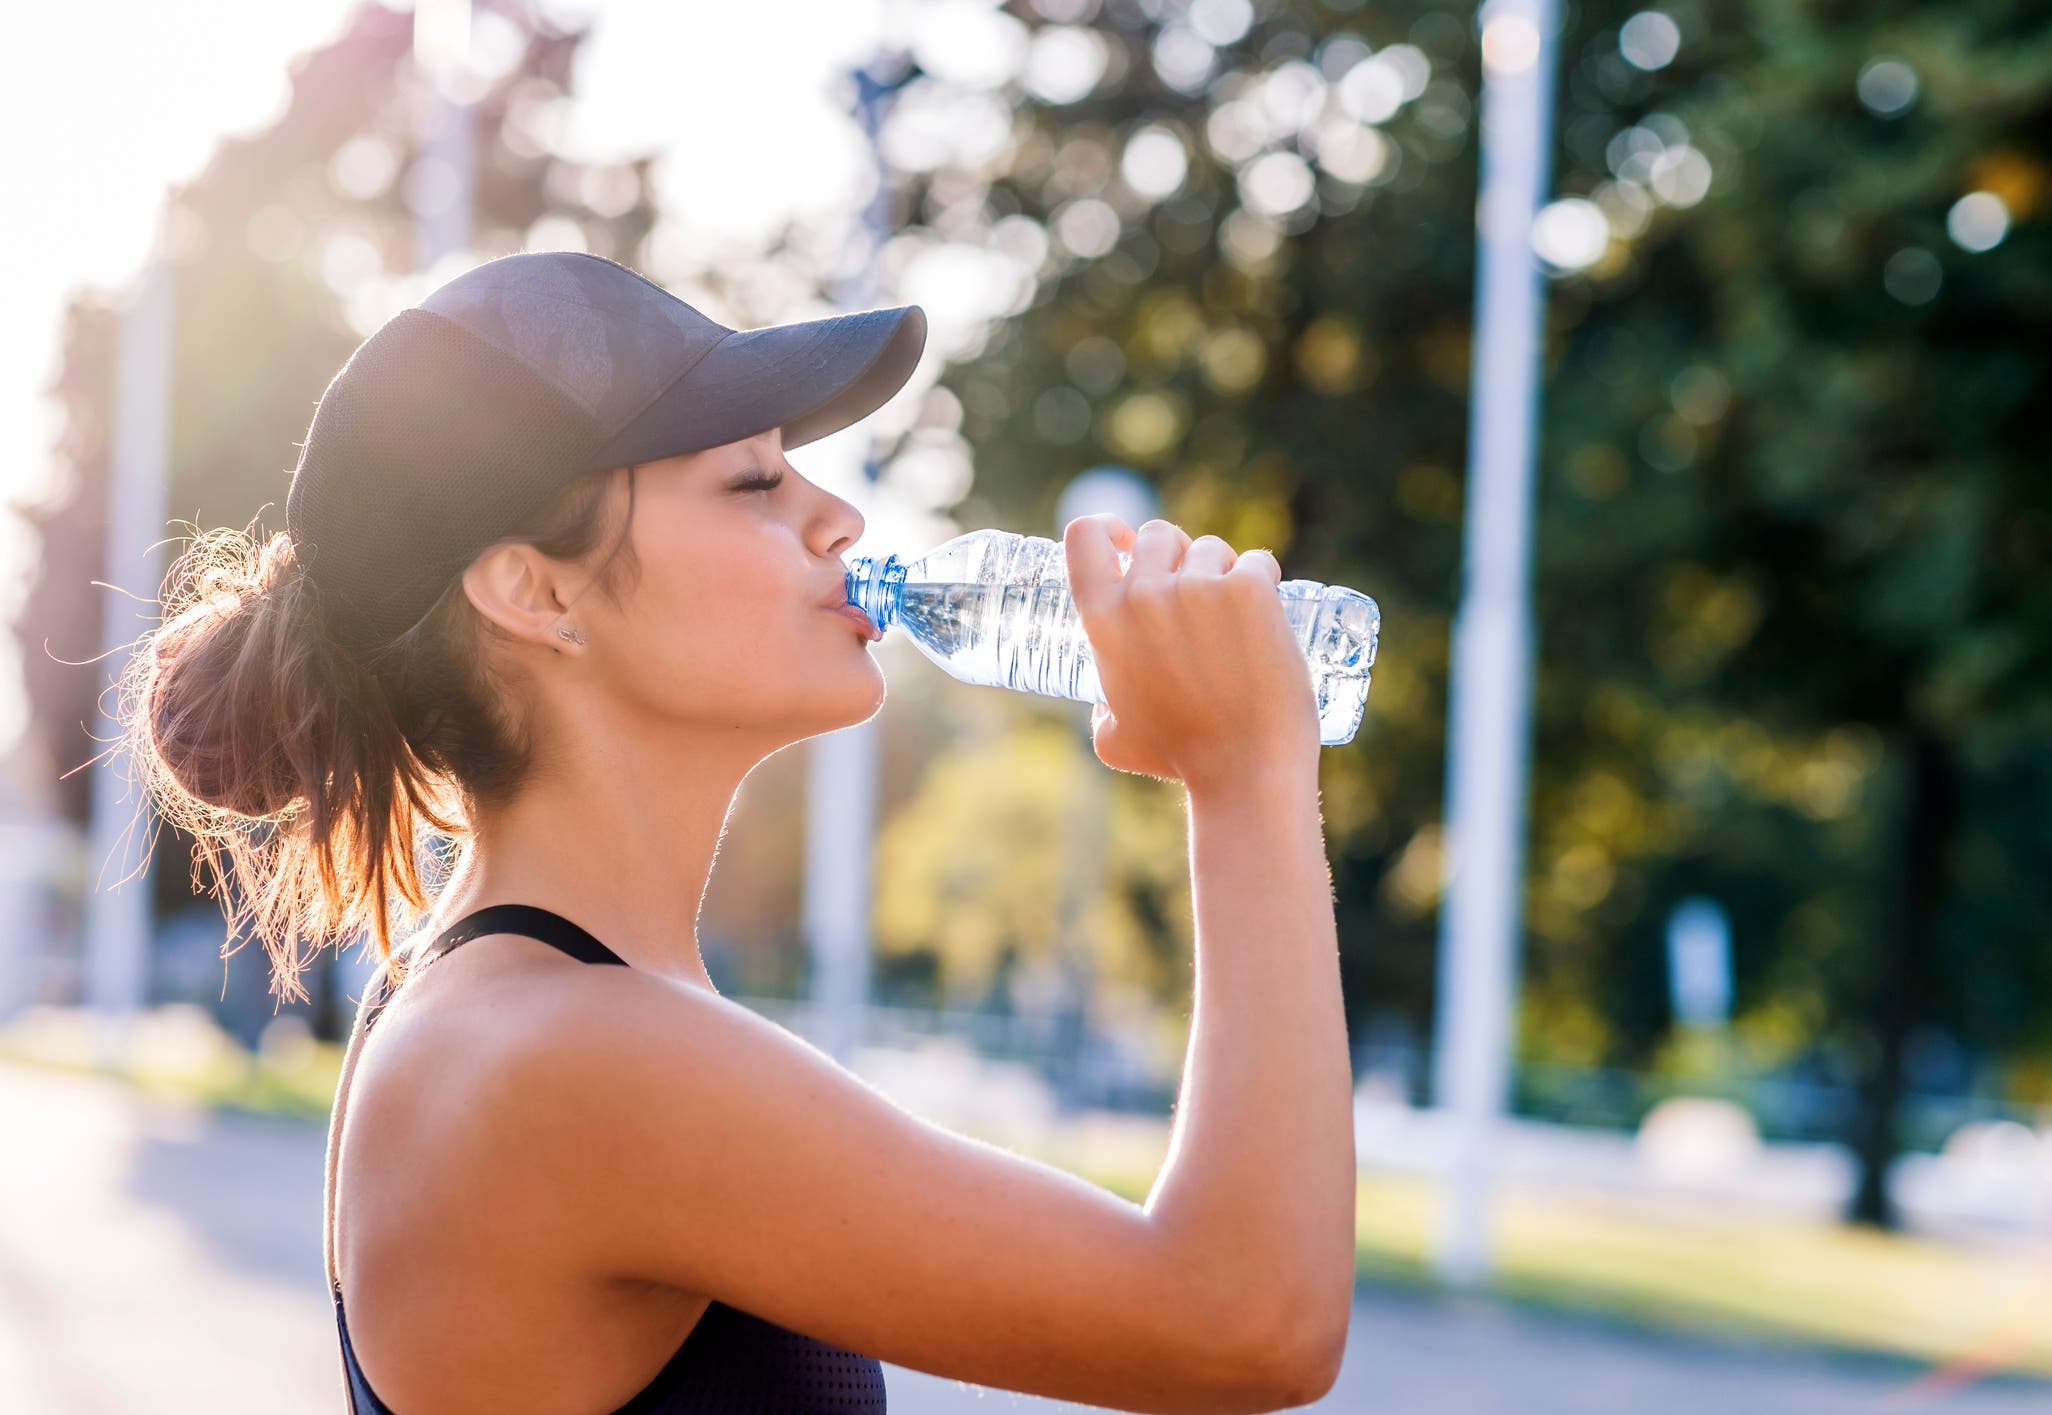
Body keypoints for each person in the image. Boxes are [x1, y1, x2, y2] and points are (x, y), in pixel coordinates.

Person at [119, 250, 1353, 1414]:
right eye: (757, 481)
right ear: (535, 590)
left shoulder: (516, 1007)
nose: (840, 521)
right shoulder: (565, 1056)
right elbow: (1243, 1317)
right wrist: (1245, 776)